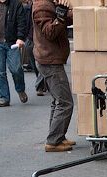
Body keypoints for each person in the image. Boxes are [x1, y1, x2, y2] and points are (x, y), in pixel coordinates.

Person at [32, 0, 75, 151]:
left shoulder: (49, 4)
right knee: (65, 102)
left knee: (57, 101)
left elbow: (64, 19)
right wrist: (62, 14)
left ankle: (57, 136)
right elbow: (50, 32)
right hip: (49, 61)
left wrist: (71, 13)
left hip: (51, 58)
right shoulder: (42, 6)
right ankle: (53, 141)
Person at [0, 0, 29, 107]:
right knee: (0, 72)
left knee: (16, 69)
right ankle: (4, 98)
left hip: (12, 43)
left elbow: (22, 22)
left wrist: (20, 38)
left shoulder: (16, 4)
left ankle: (20, 89)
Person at [20, 0, 47, 96]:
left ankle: (39, 86)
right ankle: (42, 80)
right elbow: (23, 23)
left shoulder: (45, 6)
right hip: (30, 37)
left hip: (43, 38)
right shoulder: (27, 8)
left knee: (40, 61)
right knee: (34, 62)